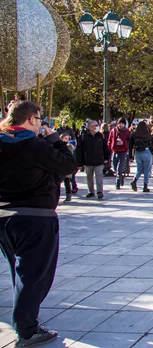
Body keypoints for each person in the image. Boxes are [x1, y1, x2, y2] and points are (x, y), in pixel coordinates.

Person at [0, 101, 77, 347]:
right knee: (33, 275)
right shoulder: (35, 146)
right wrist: (54, 136)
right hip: (34, 217)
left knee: (20, 272)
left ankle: (26, 318)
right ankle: (27, 329)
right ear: (32, 119)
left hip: (4, 218)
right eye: (40, 119)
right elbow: (68, 165)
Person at [77, 120, 108, 199]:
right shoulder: (83, 136)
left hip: (99, 160)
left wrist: (106, 157)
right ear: (90, 127)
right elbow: (79, 150)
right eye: (94, 125)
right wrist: (79, 163)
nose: (96, 127)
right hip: (88, 161)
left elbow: (105, 147)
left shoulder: (101, 136)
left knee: (99, 176)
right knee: (89, 177)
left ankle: (99, 191)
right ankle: (91, 191)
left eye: (97, 125)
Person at [128, 121, 153, 192]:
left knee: (139, 169)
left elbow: (130, 146)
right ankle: (145, 186)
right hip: (146, 151)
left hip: (137, 152)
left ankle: (134, 181)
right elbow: (150, 145)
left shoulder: (133, 134)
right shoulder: (147, 134)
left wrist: (130, 156)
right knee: (147, 170)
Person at [108, 117, 131, 189]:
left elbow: (130, 142)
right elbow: (109, 140)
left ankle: (118, 182)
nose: (120, 125)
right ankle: (120, 177)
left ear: (124, 124)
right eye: (119, 124)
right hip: (114, 150)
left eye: (122, 124)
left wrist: (124, 143)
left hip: (123, 151)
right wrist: (110, 146)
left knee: (120, 167)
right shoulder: (113, 131)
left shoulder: (127, 132)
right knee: (114, 166)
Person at [61, 133, 76, 202]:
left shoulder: (70, 147)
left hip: (67, 166)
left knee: (67, 181)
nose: (66, 140)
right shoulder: (59, 146)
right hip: (60, 166)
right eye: (65, 138)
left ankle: (68, 195)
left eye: (67, 138)